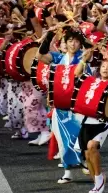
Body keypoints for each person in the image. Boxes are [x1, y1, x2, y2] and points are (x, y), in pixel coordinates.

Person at [37, 27, 89, 184]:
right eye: (70, 41)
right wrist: (50, 36)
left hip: (77, 105)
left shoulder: (84, 57)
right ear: (65, 43)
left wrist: (80, 35)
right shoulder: (58, 58)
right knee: (62, 139)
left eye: (76, 41)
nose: (73, 44)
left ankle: (84, 159)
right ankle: (67, 172)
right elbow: (40, 55)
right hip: (59, 105)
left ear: (80, 44)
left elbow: (92, 49)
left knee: (78, 136)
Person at [74, 47, 108, 193]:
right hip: (88, 120)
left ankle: (99, 178)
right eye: (103, 66)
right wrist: (84, 59)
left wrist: (107, 56)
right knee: (87, 154)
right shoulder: (92, 82)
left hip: (104, 121)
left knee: (92, 146)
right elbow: (77, 74)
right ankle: (97, 179)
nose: (105, 69)